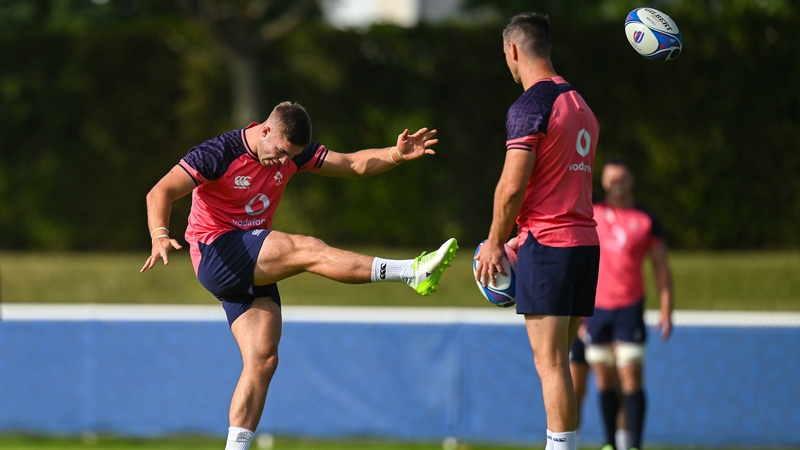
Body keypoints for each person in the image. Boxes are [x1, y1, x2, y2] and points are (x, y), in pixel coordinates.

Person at [140, 101, 459, 450]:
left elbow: (352, 164)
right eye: (278, 151)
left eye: (289, 156)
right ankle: (410, 272)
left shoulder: (294, 153)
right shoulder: (218, 152)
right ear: (264, 130)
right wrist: (159, 234)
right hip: (216, 252)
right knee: (306, 248)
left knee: (263, 359)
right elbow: (160, 191)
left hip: (250, 257)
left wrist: (395, 154)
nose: (282, 161)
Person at [474, 12, 600, 450]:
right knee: (559, 363)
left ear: (513, 50)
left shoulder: (531, 104)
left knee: (549, 365)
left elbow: (512, 187)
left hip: (550, 247)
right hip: (585, 245)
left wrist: (494, 241)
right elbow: (560, 184)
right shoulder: (581, 104)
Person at [584, 157, 674, 450]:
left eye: (621, 178)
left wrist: (666, 308)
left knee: (631, 376)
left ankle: (634, 444)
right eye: (611, 179)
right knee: (605, 378)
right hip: (596, 308)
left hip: (630, 307)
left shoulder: (646, 218)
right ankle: (611, 444)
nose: (616, 184)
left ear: (631, 180)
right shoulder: (591, 212)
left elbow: (661, 266)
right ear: (603, 182)